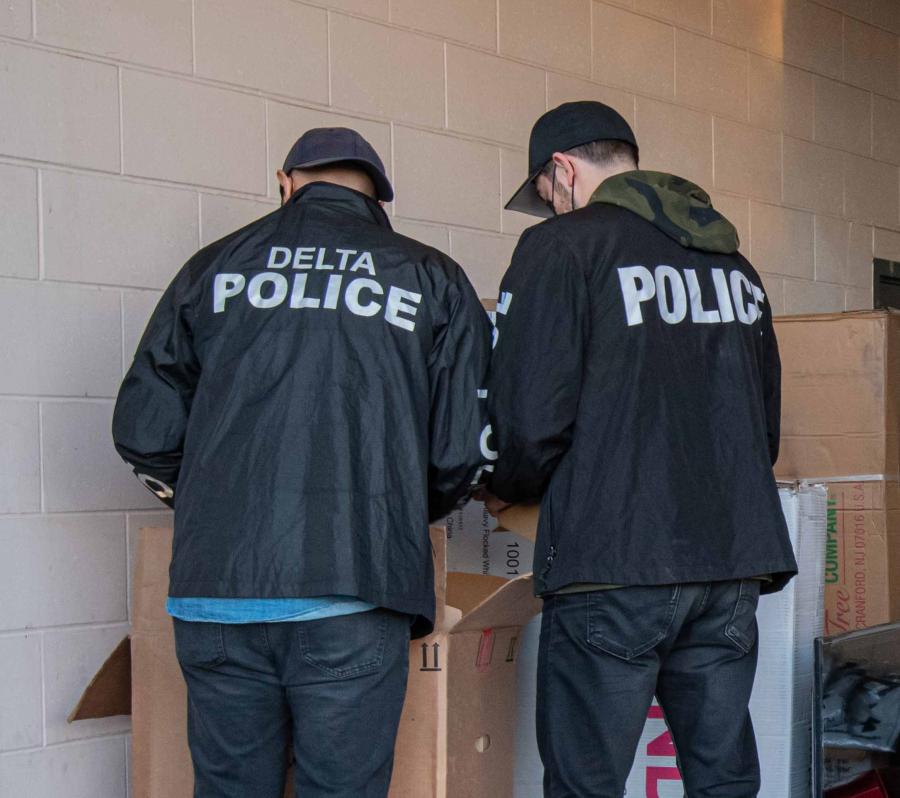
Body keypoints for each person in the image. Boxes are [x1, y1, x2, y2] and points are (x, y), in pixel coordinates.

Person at [112, 126, 491, 798]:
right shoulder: (429, 275)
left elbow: (143, 428)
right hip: (354, 586)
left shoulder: (212, 268)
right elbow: (460, 449)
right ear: (379, 199)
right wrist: (397, 510)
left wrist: (204, 496)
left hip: (216, 593)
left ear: (284, 184)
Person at [485, 101, 798, 797]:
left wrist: (507, 480)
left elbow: (530, 419)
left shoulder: (564, 248)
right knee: (721, 777)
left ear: (561, 170)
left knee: (587, 782)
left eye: (543, 197)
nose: (548, 212)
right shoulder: (734, 266)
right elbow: (763, 429)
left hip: (613, 560)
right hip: (729, 563)